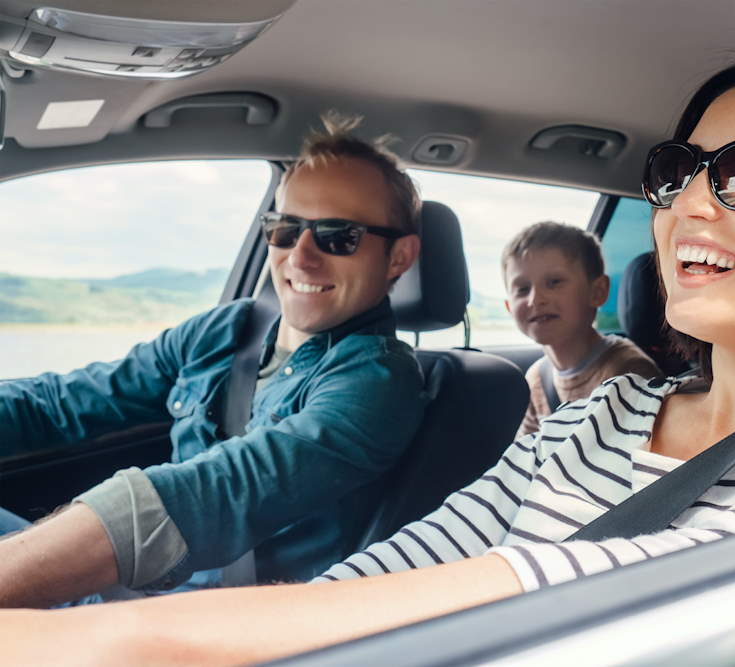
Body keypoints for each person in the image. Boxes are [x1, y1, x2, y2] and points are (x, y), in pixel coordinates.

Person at [0, 48, 735, 664]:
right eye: (677, 171)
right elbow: (418, 559)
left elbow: (623, 583)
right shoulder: (600, 416)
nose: (685, 202)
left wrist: (123, 639)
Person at [0, 113, 426, 608]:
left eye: (338, 236)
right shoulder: (227, 331)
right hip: (132, 593)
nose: (301, 257)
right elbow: (61, 403)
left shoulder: (378, 381)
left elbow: (217, 493)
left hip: (200, 625)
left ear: (398, 258)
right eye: (285, 229)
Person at [501, 221, 660, 435]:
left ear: (597, 292)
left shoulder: (629, 372)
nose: (535, 299)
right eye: (522, 289)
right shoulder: (537, 377)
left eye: (554, 282)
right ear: (509, 307)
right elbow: (525, 455)